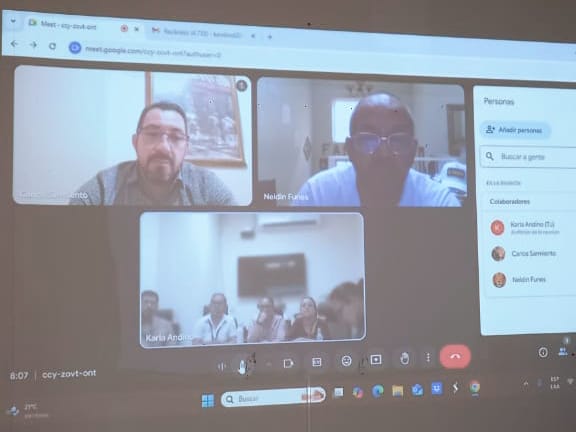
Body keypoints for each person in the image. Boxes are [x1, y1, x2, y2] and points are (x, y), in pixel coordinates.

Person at [292, 93, 461, 208]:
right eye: (367, 140)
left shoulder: (439, 202)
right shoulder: (317, 195)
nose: (384, 153)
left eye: (398, 140)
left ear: (413, 150)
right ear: (350, 150)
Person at [70, 102, 236, 206]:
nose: (163, 147)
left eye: (176, 137)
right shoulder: (106, 184)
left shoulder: (206, 184)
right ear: (135, 142)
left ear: (186, 147)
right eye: (152, 134)